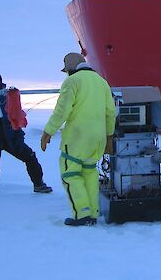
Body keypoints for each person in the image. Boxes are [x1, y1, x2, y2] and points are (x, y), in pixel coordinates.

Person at [40, 53, 116, 227]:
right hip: (98, 139)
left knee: (70, 173)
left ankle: (81, 213)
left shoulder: (72, 82)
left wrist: (48, 132)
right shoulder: (101, 82)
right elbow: (110, 112)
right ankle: (93, 213)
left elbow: (62, 110)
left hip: (77, 138)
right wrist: (109, 137)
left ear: (70, 69)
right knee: (89, 172)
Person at [0, 69, 52, 197]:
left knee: (30, 157)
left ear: (1, 79)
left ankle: (39, 184)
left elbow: (17, 115)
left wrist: (18, 133)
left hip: (11, 139)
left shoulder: (9, 95)